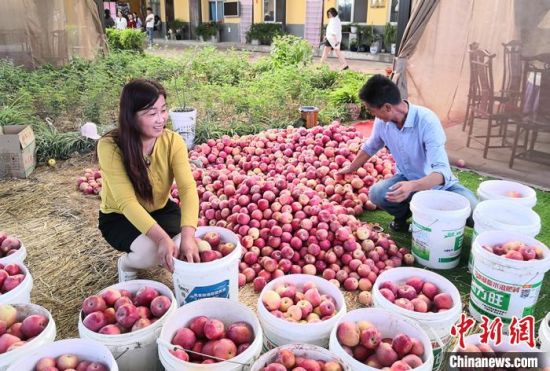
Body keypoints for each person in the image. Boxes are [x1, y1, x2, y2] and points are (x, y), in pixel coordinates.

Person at [338, 75, 478, 232]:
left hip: (441, 187)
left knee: (476, 215)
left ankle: (426, 212)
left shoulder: (427, 121)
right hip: (407, 178)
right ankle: (403, 216)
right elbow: (370, 147)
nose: (373, 116)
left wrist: (412, 186)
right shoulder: (383, 122)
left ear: (387, 107)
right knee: (377, 194)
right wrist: (351, 168)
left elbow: (441, 173)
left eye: (372, 111)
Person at [97, 79, 200, 283]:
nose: (161, 119)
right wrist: (161, 238)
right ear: (131, 117)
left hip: (160, 209)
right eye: (151, 113)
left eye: (163, 110)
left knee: (184, 245)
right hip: (120, 216)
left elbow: (187, 189)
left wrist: (188, 236)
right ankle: (126, 264)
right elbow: (127, 203)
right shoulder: (110, 146)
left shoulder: (173, 142)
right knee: (150, 254)